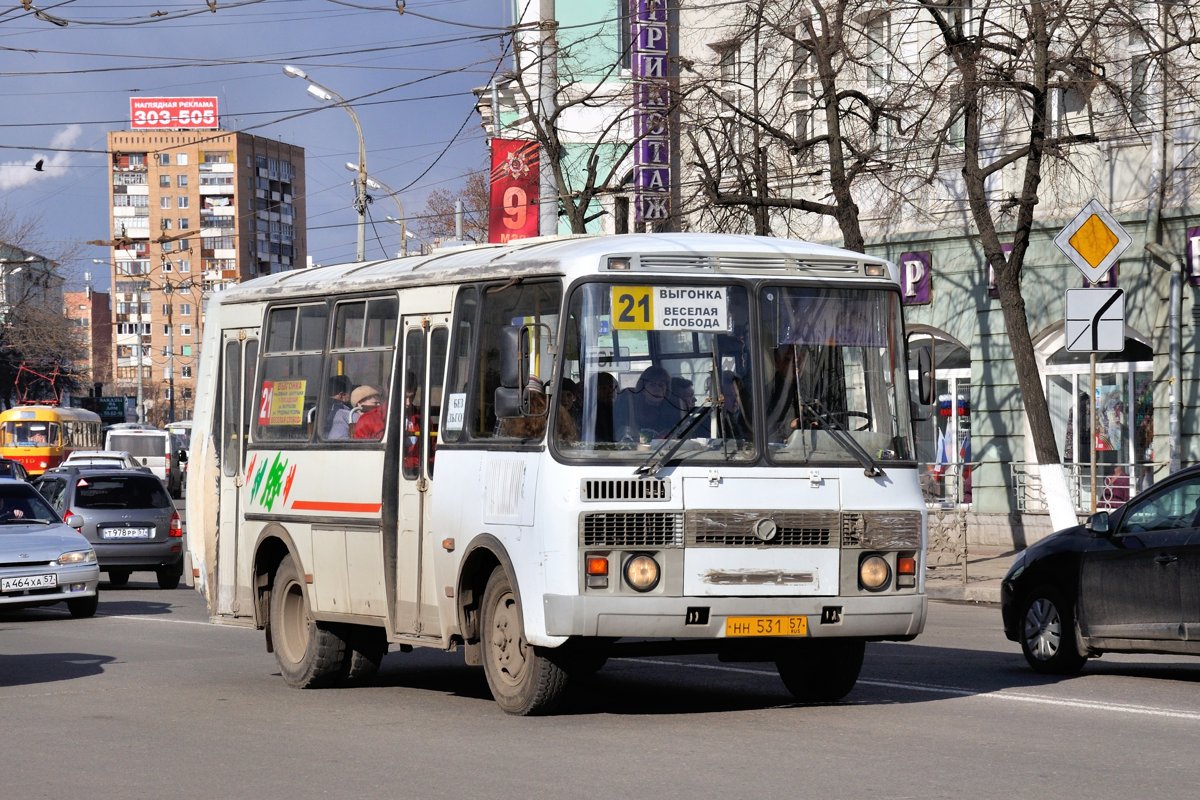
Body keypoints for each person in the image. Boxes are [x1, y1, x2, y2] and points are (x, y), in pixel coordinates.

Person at [617, 365, 682, 441]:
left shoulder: (673, 408)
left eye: (661, 385)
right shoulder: (630, 406)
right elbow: (621, 434)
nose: (657, 389)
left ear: (666, 390)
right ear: (643, 389)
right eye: (652, 385)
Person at [323, 374, 353, 438]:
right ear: (342, 395)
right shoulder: (346, 412)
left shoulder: (316, 410)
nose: (351, 396)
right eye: (350, 392)